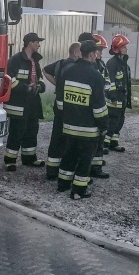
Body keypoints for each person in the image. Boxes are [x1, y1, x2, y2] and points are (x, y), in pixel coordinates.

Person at [56, 40, 109, 199]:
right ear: (92, 54)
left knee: (69, 155)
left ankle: (63, 184)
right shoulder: (96, 76)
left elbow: (60, 99)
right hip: (88, 129)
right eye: (96, 53)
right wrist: (104, 125)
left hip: (69, 125)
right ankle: (78, 190)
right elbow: (99, 107)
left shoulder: (68, 71)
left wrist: (65, 117)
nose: (97, 55)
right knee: (85, 159)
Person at [3, 32, 46, 171]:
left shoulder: (35, 60)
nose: (39, 45)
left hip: (33, 102)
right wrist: (24, 88)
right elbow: (9, 78)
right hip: (19, 103)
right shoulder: (16, 59)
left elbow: (39, 80)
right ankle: (10, 160)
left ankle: (29, 158)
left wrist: (40, 87)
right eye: (37, 42)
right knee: (17, 131)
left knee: (32, 130)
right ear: (30, 43)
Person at [42, 42, 81, 180]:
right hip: (69, 109)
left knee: (56, 137)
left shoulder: (60, 63)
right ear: (76, 53)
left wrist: (56, 84)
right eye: (81, 52)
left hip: (58, 107)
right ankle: (65, 172)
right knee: (68, 139)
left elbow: (45, 70)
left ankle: (51, 170)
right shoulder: (75, 67)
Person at [105, 34, 132, 153]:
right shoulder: (112, 63)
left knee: (120, 120)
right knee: (112, 121)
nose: (126, 48)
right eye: (124, 46)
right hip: (114, 99)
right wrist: (113, 97)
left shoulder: (124, 63)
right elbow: (109, 81)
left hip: (122, 98)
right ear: (117, 48)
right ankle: (104, 144)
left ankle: (114, 142)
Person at [89, 34, 110, 178]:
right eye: (99, 50)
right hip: (92, 106)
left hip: (102, 103)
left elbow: (107, 81)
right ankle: (91, 166)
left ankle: (96, 167)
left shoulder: (101, 65)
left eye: (102, 50)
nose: (101, 53)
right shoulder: (90, 66)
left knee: (100, 139)